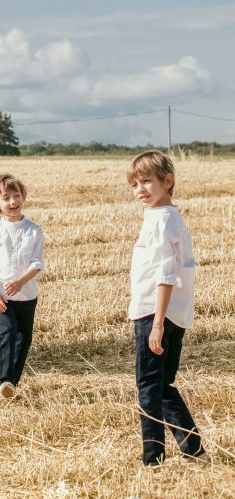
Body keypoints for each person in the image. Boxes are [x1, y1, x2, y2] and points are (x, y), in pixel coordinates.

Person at [127, 149, 206, 467]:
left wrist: (157, 323)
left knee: (148, 384)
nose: (140, 189)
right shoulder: (171, 218)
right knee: (162, 384)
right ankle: (192, 447)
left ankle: (153, 458)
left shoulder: (161, 222)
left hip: (154, 313)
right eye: (134, 184)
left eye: (147, 181)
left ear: (167, 181)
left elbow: (166, 274)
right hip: (175, 313)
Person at [0, 172, 44, 399]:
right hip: (3, 297)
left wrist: (20, 282)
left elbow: (37, 263)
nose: (12, 202)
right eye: (6, 198)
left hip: (27, 295)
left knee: (24, 338)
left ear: (24, 196)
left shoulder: (34, 230)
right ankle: (5, 379)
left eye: (16, 196)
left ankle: (12, 383)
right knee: (8, 332)